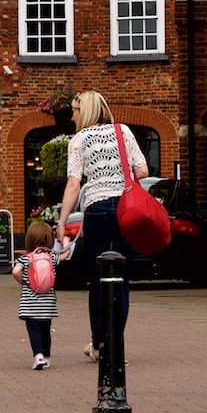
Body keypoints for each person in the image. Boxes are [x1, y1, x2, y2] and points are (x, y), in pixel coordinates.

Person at [56, 91, 148, 361]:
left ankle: (99, 345)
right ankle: (115, 345)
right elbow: (142, 171)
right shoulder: (124, 132)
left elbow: (74, 184)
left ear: (83, 112)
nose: (72, 116)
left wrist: (62, 223)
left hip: (96, 211)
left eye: (74, 110)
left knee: (97, 280)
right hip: (125, 210)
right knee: (123, 278)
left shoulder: (78, 140)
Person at [13, 220, 70, 370]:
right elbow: (66, 255)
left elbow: (15, 271)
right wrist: (65, 241)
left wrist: (24, 282)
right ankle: (46, 357)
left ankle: (38, 356)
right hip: (47, 305)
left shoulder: (26, 259)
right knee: (46, 330)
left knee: (34, 330)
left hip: (29, 304)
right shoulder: (51, 258)